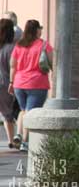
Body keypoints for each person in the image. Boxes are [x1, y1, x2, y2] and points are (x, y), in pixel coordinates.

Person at [9, 20, 52, 152]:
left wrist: (11, 82)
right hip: (37, 82)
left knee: (23, 110)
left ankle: (18, 134)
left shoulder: (19, 45)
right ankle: (25, 142)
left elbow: (12, 66)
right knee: (31, 112)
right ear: (36, 30)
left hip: (19, 83)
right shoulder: (44, 45)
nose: (41, 31)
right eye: (40, 28)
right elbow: (52, 62)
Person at [0, 19, 17, 148]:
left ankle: (12, 140)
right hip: (6, 84)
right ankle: (12, 140)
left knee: (7, 114)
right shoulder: (12, 48)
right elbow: (14, 67)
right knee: (8, 114)